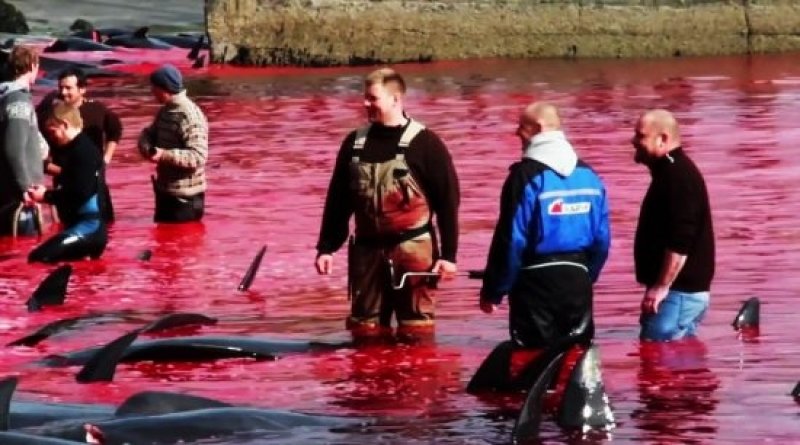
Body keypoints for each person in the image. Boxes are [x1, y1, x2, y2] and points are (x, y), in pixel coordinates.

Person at [315, 67, 460, 336]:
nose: (365, 103)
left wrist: (449, 256)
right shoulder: (353, 143)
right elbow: (337, 200)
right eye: (365, 97)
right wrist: (327, 248)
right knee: (364, 330)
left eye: (372, 98)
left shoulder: (427, 143)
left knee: (417, 330)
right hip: (367, 252)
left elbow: (448, 203)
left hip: (414, 251)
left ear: (395, 99)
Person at [479, 102, 610, 348]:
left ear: (538, 128)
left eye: (522, 127)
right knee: (577, 355)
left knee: (532, 357)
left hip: (535, 283)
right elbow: (602, 240)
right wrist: (586, 276)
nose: (517, 132)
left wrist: (494, 291)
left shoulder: (524, 176)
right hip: (578, 281)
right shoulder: (590, 176)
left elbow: (512, 239)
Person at [632, 109, 715, 342]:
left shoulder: (678, 175)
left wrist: (661, 286)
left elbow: (681, 239)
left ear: (663, 139)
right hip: (680, 294)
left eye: (641, 135)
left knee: (657, 358)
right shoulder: (670, 171)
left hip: (677, 294)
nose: (633, 141)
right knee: (677, 359)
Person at [36, 67, 123, 223]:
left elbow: (115, 130)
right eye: (61, 87)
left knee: (105, 224)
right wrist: (60, 171)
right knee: (68, 226)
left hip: (96, 183)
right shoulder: (51, 115)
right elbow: (36, 152)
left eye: (68, 88)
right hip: (63, 184)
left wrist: (106, 159)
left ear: (82, 89)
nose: (63, 92)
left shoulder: (97, 109)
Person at [26, 102, 107, 263]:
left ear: (65, 124)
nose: (51, 138)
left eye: (52, 132)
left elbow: (80, 193)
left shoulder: (83, 151)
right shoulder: (74, 148)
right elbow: (73, 184)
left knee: (38, 258)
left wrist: (46, 196)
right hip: (81, 228)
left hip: (89, 229)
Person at [137, 64, 208, 223]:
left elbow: (198, 156)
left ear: (164, 89)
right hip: (166, 193)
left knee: (184, 239)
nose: (151, 91)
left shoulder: (189, 116)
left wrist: (164, 155)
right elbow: (149, 134)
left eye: (154, 87)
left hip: (186, 199)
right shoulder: (166, 110)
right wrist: (146, 147)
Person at [0, 45, 45, 237]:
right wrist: (25, 186)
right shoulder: (18, 100)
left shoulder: (7, 97)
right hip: (22, 197)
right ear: (33, 66)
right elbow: (13, 148)